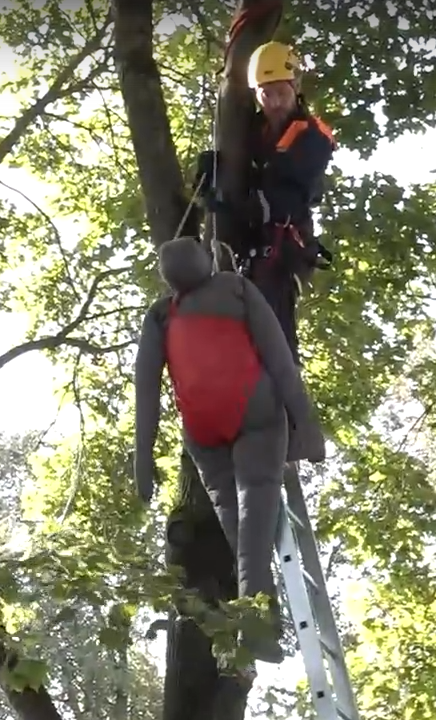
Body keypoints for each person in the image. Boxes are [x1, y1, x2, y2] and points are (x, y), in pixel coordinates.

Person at [133, 237, 326, 663]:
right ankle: (255, 625)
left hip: (203, 432)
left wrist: (142, 458)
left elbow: (145, 392)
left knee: (239, 528)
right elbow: (279, 360)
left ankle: (258, 623)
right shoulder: (236, 288)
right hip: (255, 417)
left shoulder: (160, 314)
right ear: (205, 261)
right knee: (252, 525)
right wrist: (306, 426)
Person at [194, 40, 337, 366]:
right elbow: (239, 166)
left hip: (283, 242)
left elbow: (284, 196)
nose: (273, 102)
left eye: (280, 93)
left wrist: (233, 206)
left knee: (272, 326)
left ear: (295, 87)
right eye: (265, 93)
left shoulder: (313, 137)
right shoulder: (248, 129)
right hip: (246, 237)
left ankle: (284, 398)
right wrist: (212, 168)